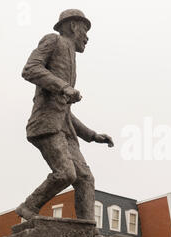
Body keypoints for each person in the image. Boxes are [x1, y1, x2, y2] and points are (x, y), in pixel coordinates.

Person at [15, 9, 113, 222]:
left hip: (64, 128)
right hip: (46, 124)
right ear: (72, 26)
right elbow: (30, 69)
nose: (87, 37)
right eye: (85, 30)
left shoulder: (72, 60)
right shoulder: (54, 41)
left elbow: (65, 110)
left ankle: (87, 231)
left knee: (85, 178)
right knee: (66, 173)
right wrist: (63, 87)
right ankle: (29, 206)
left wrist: (93, 135)